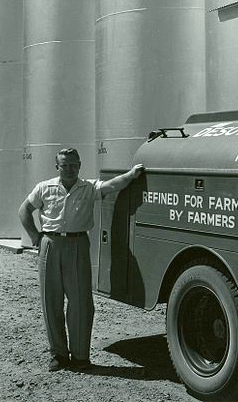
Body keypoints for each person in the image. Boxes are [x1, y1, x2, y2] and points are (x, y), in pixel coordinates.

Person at [18, 147, 144, 372]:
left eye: (73, 165)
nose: (69, 169)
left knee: (81, 302)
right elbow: (24, 211)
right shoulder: (44, 188)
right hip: (50, 244)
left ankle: (80, 356)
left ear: (80, 165)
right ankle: (58, 355)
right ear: (57, 167)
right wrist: (36, 238)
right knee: (51, 301)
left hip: (77, 244)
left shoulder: (88, 187)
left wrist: (132, 174)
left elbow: (113, 185)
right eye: (64, 165)